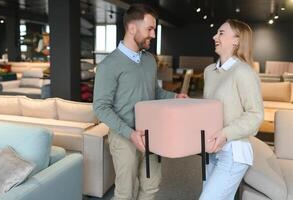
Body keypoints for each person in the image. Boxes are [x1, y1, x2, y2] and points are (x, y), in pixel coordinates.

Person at [93, 4, 188, 200]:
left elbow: (153, 92)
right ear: (132, 28)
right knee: (125, 192)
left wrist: (174, 97)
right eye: (149, 29)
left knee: (152, 185)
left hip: (150, 133)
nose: (153, 35)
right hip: (123, 136)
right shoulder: (108, 65)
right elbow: (101, 107)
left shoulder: (149, 60)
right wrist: (130, 133)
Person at [200, 19, 264, 200]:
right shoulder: (209, 71)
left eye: (221, 33)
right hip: (212, 149)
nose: (214, 36)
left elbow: (255, 115)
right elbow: (210, 109)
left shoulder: (244, 72)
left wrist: (225, 134)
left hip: (234, 152)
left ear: (236, 41)